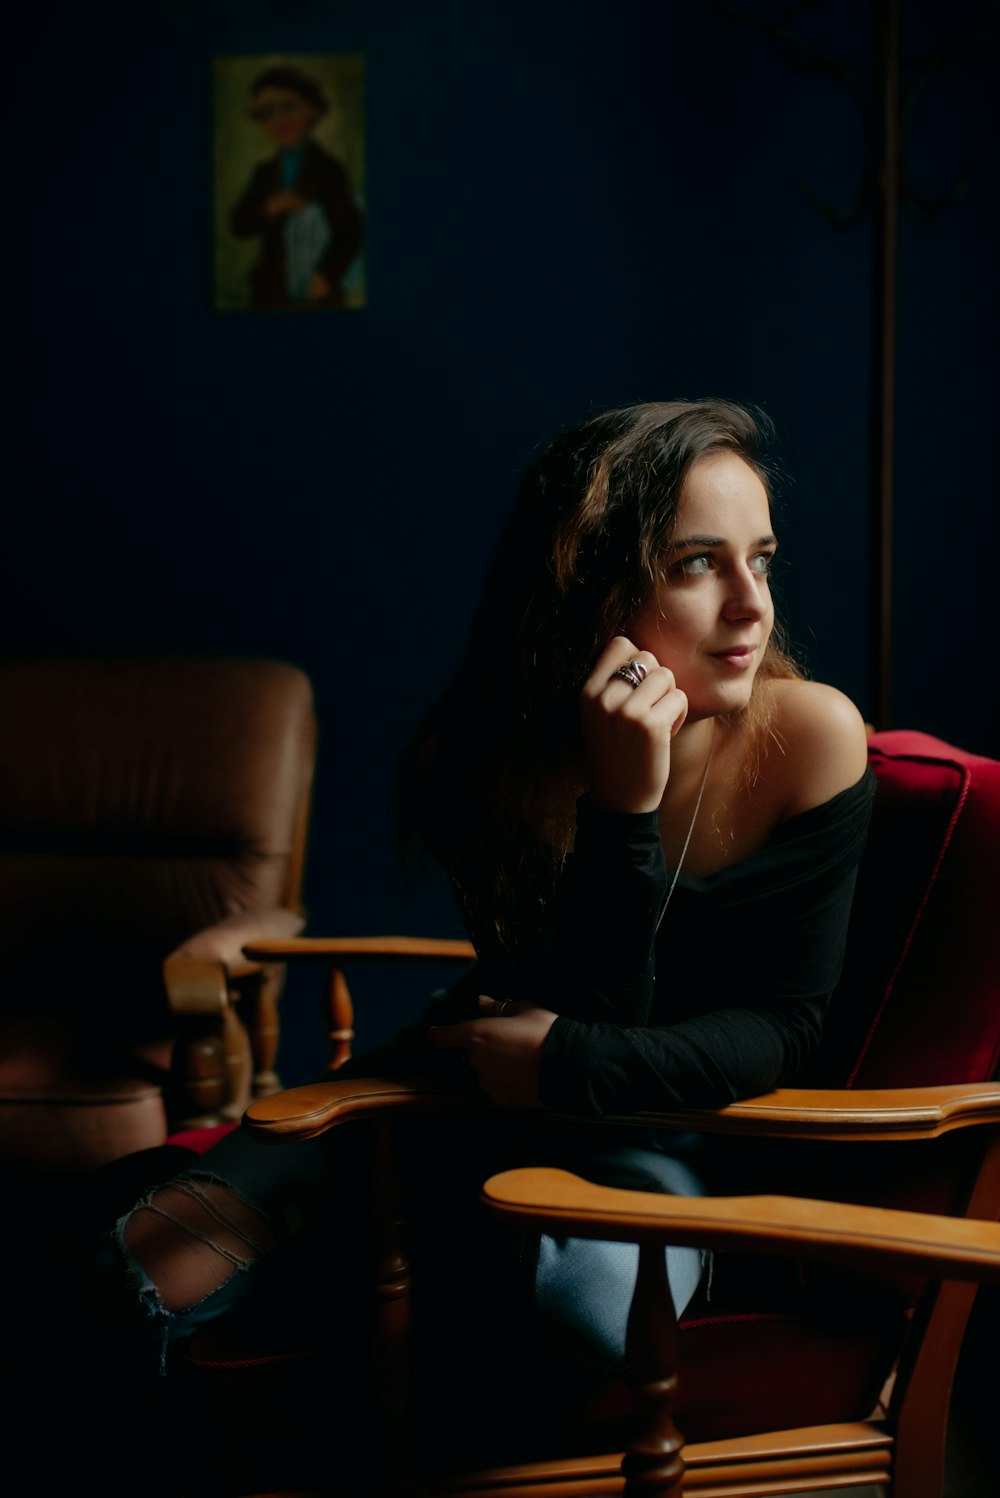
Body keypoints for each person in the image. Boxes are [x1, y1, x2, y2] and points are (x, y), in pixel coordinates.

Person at [91, 398, 873, 1407]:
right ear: (589, 582)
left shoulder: (808, 737)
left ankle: (360, 1259)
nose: (748, 603)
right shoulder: (478, 759)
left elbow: (780, 1026)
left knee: (574, 1302)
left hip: (659, 1134)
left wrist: (567, 1043)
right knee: (139, 1270)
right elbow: (559, 1000)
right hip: (463, 1093)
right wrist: (620, 799)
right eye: (694, 562)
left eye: (758, 558)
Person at [229, 65, 363, 310]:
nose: (278, 120)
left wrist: (326, 276)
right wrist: (270, 208)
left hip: (317, 293)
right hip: (270, 293)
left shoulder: (330, 170)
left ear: (311, 110)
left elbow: (351, 232)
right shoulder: (264, 173)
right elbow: (238, 224)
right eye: (265, 113)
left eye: (288, 107)